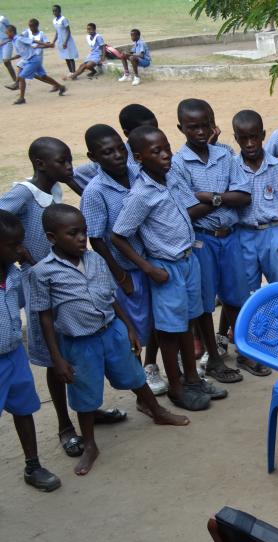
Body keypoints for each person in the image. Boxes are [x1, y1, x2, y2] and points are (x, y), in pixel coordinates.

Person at [30, 205, 189, 475]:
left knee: (134, 375)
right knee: (85, 392)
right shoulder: (42, 272)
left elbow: (112, 297)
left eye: (84, 232)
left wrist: (128, 327)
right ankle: (90, 444)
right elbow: (45, 318)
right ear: (51, 237)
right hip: (79, 343)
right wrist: (57, 359)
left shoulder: (95, 260)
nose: (82, 238)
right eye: (73, 233)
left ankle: (157, 411)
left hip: (111, 331)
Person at [111, 126, 228, 412]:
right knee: (169, 331)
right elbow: (118, 235)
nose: (166, 156)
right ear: (138, 158)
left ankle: (193, 380)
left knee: (188, 322)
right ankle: (176, 387)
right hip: (166, 268)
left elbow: (186, 210)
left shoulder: (170, 177)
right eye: (157, 152)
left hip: (189, 261)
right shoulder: (141, 194)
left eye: (167, 148)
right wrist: (148, 269)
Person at [0, 137, 95, 459]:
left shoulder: (53, 190)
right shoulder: (23, 194)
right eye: (62, 162)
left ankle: (87, 410)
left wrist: (69, 179)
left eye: (70, 160)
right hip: (38, 285)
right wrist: (21, 252)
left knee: (74, 348)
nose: (69, 167)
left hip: (61, 283)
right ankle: (64, 425)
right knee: (55, 359)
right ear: (40, 164)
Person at [170, 99, 250, 381]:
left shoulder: (225, 155)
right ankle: (214, 359)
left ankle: (246, 351)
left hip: (229, 237)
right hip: (201, 241)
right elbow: (187, 212)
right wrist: (222, 197)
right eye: (193, 127)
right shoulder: (177, 164)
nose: (201, 131)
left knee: (237, 295)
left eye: (206, 125)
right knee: (204, 302)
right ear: (181, 128)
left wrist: (207, 196)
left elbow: (244, 197)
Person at [81, 125, 156, 378]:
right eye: (107, 152)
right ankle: (138, 381)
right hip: (126, 270)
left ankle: (152, 367)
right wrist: (120, 276)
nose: (116, 155)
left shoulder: (140, 173)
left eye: (119, 149)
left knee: (158, 321)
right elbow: (96, 239)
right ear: (93, 157)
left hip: (153, 262)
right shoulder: (95, 191)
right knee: (132, 328)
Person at [0, 209, 62, 491]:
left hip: (14, 354)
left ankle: (33, 465)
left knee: (23, 409)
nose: (20, 250)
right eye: (13, 245)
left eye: (20, 243)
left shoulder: (13, 273)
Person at [231, 109, 278, 294]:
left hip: (273, 233)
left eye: (254, 137)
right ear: (236, 138)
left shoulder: (277, 166)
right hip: (244, 234)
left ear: (263, 135)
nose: (250, 144)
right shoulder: (231, 166)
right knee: (247, 290)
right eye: (243, 138)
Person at [10, 20, 67, 105]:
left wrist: (45, 45)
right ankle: (61, 87)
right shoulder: (26, 33)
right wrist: (11, 58)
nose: (31, 28)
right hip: (29, 58)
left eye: (32, 26)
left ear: (37, 26)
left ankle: (21, 96)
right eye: (30, 26)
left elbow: (42, 43)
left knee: (22, 75)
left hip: (35, 58)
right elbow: (21, 41)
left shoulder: (41, 34)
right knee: (42, 76)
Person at [50, 5, 77, 77]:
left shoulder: (63, 19)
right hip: (60, 41)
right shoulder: (54, 21)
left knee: (70, 57)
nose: (54, 12)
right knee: (66, 57)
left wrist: (65, 42)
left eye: (56, 10)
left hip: (67, 41)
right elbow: (57, 32)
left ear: (60, 11)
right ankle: (71, 72)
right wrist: (53, 41)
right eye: (53, 11)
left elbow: (68, 31)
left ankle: (74, 73)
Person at [0, 15, 16, 86]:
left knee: (6, 62)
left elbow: (12, 30)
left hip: (7, 42)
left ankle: (16, 82)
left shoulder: (2, 19)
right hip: (1, 43)